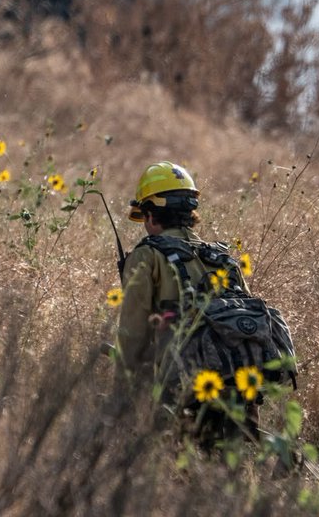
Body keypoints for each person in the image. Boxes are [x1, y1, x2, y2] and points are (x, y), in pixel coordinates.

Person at [116, 161, 260, 444]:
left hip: (182, 389)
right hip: (240, 387)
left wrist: (122, 398)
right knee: (232, 472)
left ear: (150, 214)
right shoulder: (223, 258)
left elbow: (132, 335)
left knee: (180, 473)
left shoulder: (147, 256)